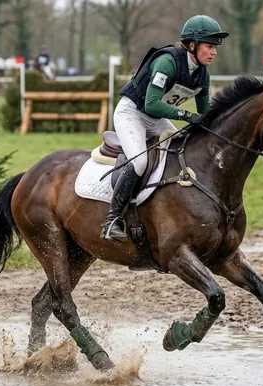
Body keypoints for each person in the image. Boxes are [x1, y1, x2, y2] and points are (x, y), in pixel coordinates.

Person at [100, 14, 228, 241]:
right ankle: (112, 220)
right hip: (133, 113)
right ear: (192, 45)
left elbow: (206, 114)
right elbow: (151, 103)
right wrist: (187, 116)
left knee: (181, 153)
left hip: (157, 119)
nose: (214, 52)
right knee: (140, 161)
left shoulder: (202, 75)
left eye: (215, 47)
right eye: (209, 46)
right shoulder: (167, 62)